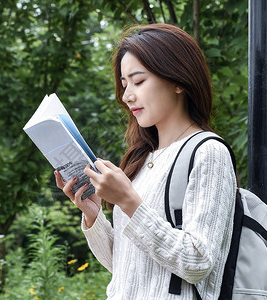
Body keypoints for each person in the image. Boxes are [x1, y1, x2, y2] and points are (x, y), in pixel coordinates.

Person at [54, 23, 237, 299]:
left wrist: (129, 201)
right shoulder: (143, 158)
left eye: (138, 81)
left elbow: (197, 262)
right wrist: (94, 214)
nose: (127, 96)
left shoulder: (207, 153)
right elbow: (127, 266)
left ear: (178, 80)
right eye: (125, 84)